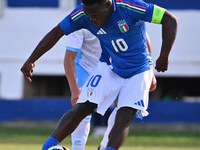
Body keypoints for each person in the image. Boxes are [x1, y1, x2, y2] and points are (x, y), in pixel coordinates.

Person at [21, 0, 177, 149]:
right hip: (109, 65)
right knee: (82, 107)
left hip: (139, 70)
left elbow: (170, 19)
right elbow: (56, 32)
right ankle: (47, 147)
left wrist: (164, 55)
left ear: (108, 5)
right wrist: (31, 59)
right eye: (89, 15)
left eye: (95, 14)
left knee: (125, 116)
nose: (91, 19)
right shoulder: (82, 14)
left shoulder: (129, 6)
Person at [64, 29, 156, 150]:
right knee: (82, 108)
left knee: (124, 107)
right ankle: (77, 148)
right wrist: (74, 90)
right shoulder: (79, 18)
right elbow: (69, 57)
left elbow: (142, 36)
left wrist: (149, 70)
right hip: (86, 67)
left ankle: (104, 147)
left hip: (114, 67)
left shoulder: (122, 12)